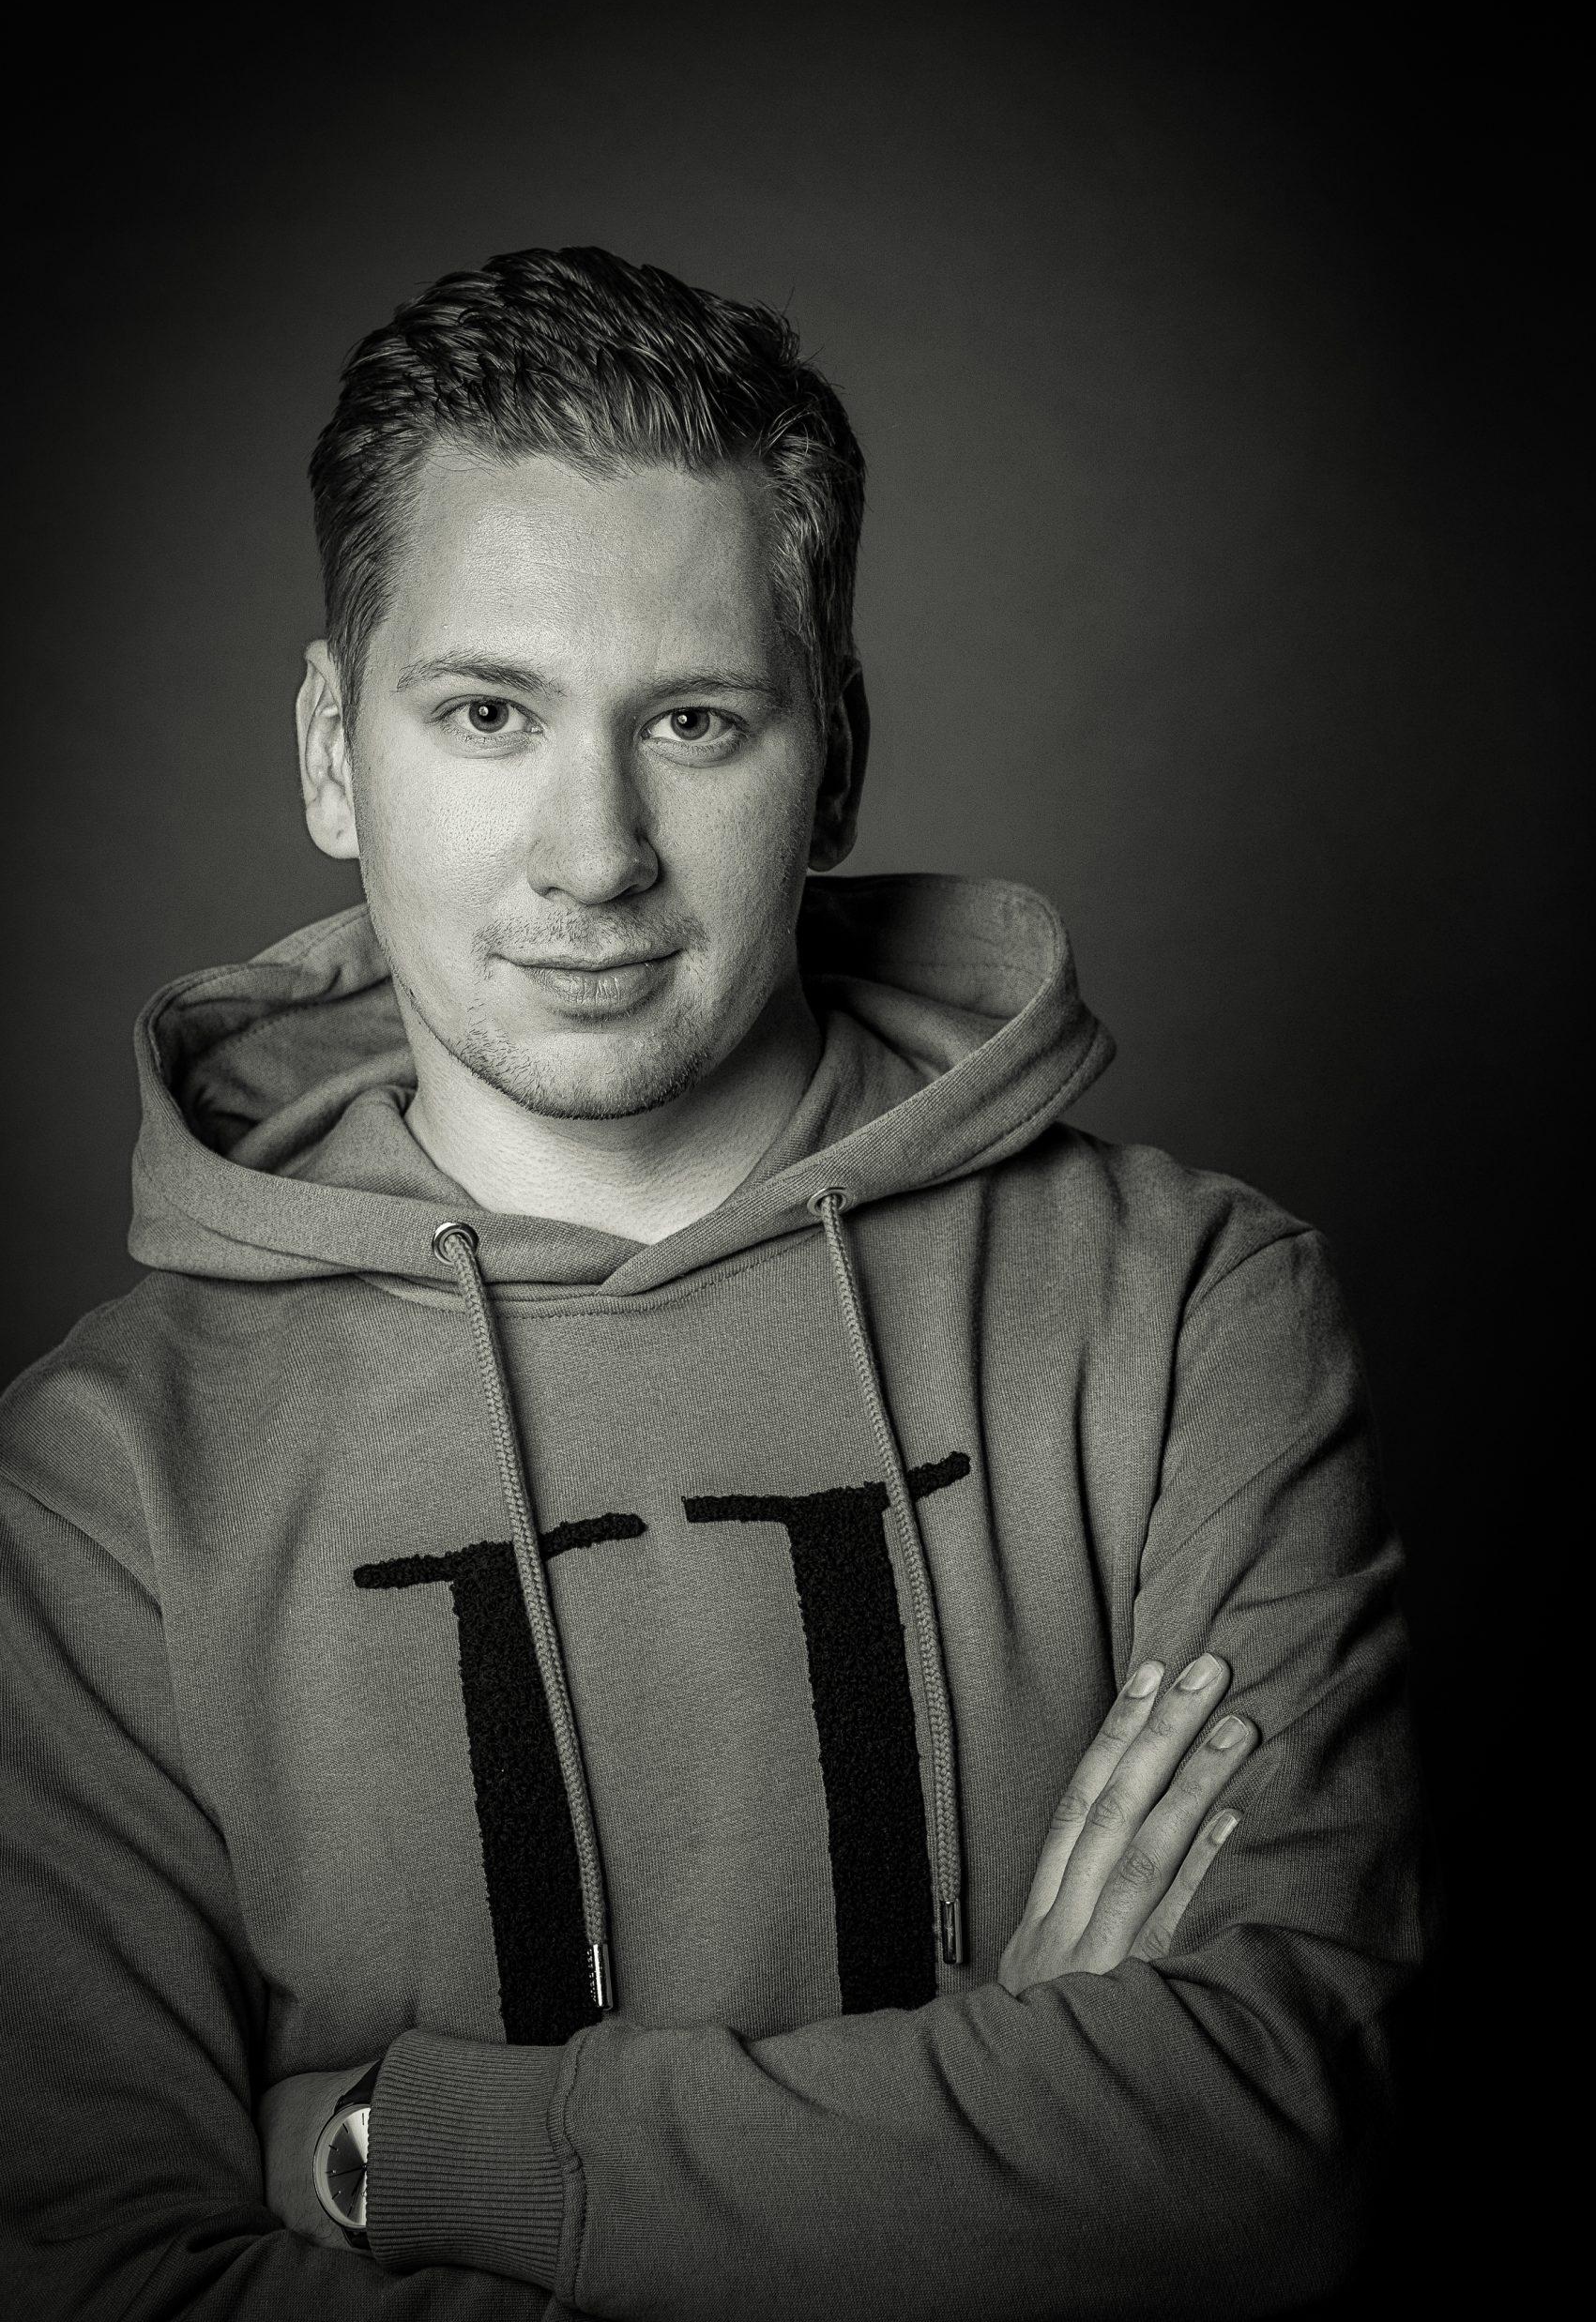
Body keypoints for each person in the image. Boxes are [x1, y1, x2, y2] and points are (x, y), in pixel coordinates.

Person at [0, 246, 1424, 2320]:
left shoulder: (1190, 1315)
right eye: (486, 713)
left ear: (830, 757)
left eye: (691, 720)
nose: (595, 853)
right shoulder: (97, 1494)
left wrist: (402, 2150)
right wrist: (1008, 2157)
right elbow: (104, 2282)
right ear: (331, 750)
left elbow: (1263, 2158)